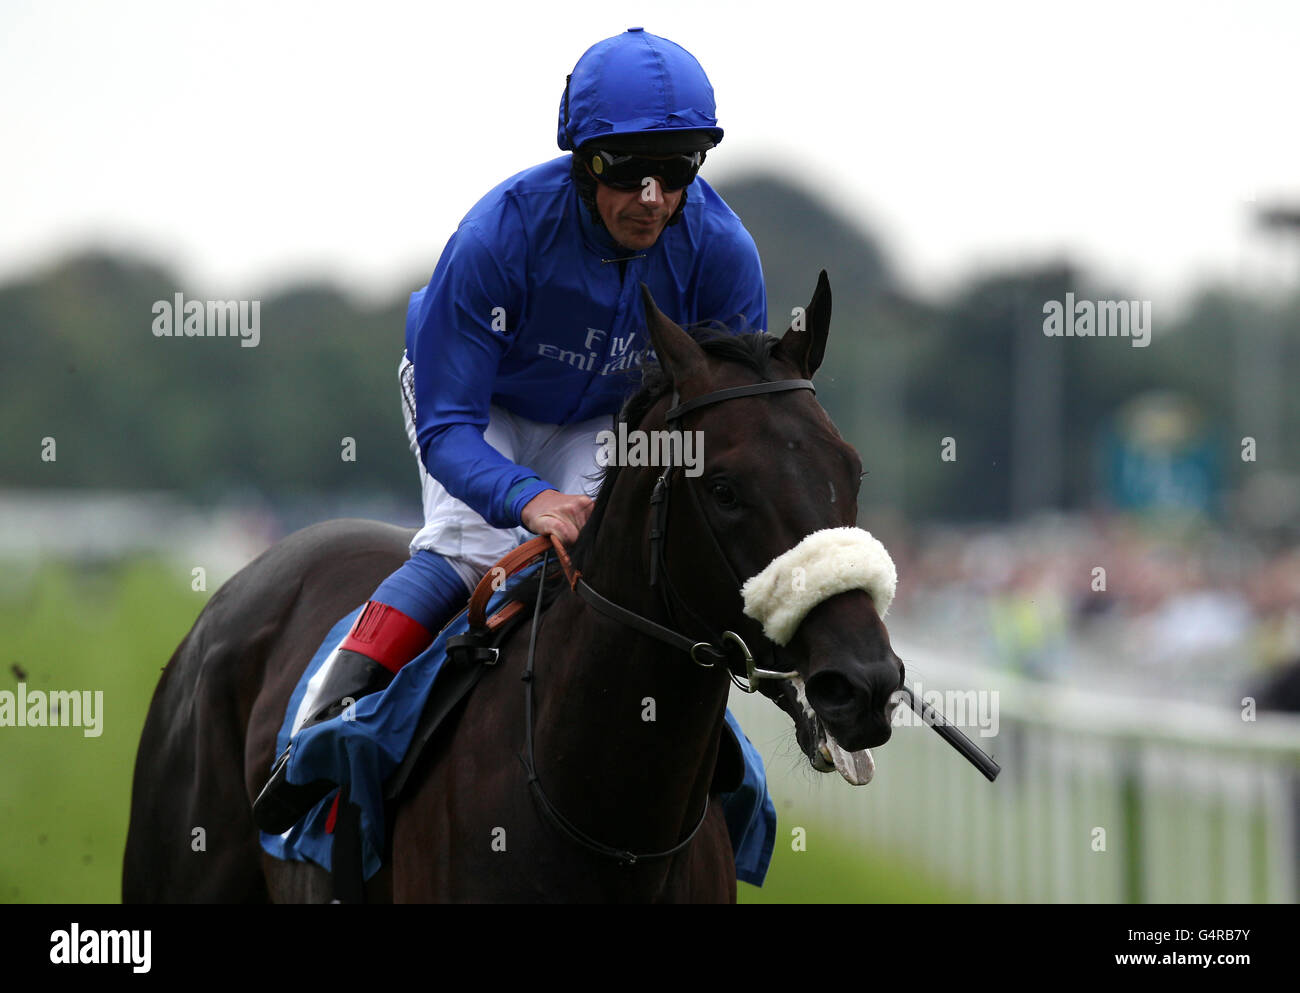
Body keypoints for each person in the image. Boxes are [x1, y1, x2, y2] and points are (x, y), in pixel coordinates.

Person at [254, 27, 767, 840]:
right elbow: (449, 427)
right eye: (625, 169)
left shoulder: (723, 254)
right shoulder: (499, 234)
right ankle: (320, 721)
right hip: (475, 401)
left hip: (599, 416)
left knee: (625, 565)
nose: (651, 198)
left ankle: (718, 756)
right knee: (469, 553)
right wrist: (526, 500)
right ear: (580, 158)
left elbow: (734, 423)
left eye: (676, 171)